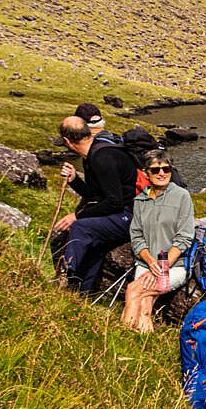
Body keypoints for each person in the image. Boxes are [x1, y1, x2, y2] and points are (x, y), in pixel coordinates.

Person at [51, 115, 138, 293]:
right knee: (95, 243)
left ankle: (65, 277)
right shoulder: (93, 155)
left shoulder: (102, 158)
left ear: (67, 141)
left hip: (131, 216)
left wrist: (77, 216)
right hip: (122, 214)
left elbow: (114, 202)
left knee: (81, 227)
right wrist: (75, 180)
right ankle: (81, 292)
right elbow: (97, 196)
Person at [121, 151, 195, 332]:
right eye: (155, 170)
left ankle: (122, 335)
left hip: (175, 265)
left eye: (166, 169)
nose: (161, 173)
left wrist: (162, 266)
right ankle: (143, 342)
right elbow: (136, 236)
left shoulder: (182, 196)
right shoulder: (140, 200)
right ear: (146, 173)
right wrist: (150, 262)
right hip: (146, 264)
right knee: (145, 304)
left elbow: (185, 236)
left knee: (134, 290)